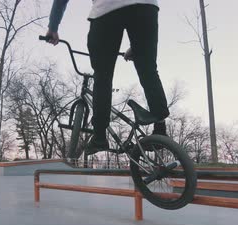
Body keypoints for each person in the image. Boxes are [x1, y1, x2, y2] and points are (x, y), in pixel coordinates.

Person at [46, 0, 169, 155]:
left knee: (102, 75)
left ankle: (99, 137)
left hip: (107, 11)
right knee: (148, 68)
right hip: (145, 7)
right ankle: (160, 128)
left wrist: (53, 27)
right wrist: (137, 47)